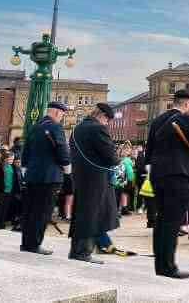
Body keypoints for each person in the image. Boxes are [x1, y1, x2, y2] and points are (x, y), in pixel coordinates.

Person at [145, 90, 189, 279]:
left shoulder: (157, 121)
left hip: (159, 176)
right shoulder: (187, 119)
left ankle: (161, 263)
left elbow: (149, 151)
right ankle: (168, 266)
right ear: (187, 105)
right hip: (179, 176)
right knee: (172, 222)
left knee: (162, 220)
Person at [67, 103, 120, 264]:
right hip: (97, 178)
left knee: (81, 214)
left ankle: (76, 250)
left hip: (81, 177)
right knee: (92, 216)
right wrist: (116, 157)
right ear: (102, 116)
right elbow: (111, 157)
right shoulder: (98, 129)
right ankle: (83, 252)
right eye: (107, 120)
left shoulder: (78, 128)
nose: (107, 123)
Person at [21, 101, 71, 256]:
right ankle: (34, 244)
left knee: (30, 211)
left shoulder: (34, 126)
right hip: (50, 176)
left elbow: (26, 150)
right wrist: (67, 167)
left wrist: (25, 168)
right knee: (43, 212)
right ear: (56, 113)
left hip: (32, 174)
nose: (62, 117)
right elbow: (62, 148)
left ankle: (26, 243)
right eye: (62, 114)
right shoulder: (55, 127)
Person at [0, 152, 20, 229]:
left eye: (12, 159)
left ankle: (2, 223)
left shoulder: (13, 166)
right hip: (1, 190)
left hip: (10, 190)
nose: (11, 160)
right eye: (10, 159)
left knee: (5, 208)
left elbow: (15, 178)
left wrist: (16, 190)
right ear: (5, 158)